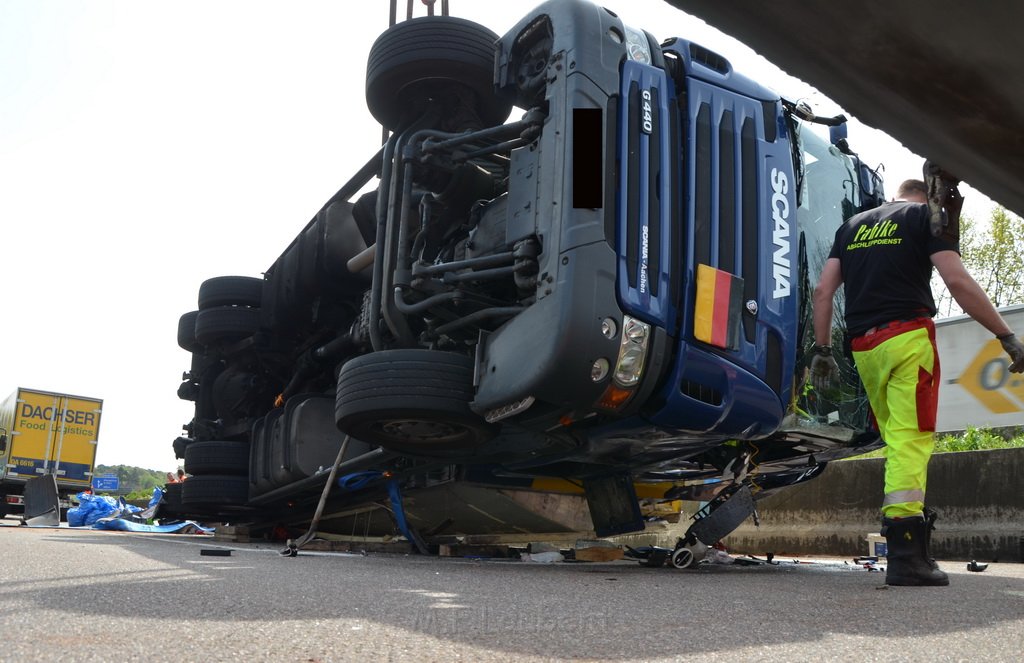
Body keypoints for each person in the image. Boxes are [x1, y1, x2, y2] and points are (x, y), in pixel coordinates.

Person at [810, 176, 1024, 587]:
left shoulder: (852, 226)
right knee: (912, 437)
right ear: (925, 197)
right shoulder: (925, 218)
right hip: (907, 338)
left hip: (864, 346)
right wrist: (1005, 335)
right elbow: (956, 280)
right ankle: (907, 556)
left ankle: (907, 546)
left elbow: (823, 291)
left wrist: (822, 350)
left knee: (897, 438)